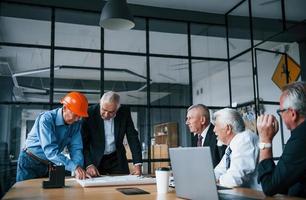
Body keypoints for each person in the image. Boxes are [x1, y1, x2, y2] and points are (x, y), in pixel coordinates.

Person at [16, 92, 90, 181]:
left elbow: (76, 148)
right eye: (76, 115)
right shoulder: (46, 119)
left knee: (50, 194)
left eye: (80, 116)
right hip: (30, 161)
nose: (78, 119)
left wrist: (79, 168)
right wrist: (74, 167)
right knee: (25, 193)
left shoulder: (76, 124)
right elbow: (50, 151)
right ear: (65, 108)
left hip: (50, 163)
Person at [257, 81, 306, 197]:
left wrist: (265, 140)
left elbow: (269, 186)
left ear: (293, 114)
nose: (280, 115)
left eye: (281, 111)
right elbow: (284, 181)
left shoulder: (300, 139)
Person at [81, 91, 142, 177]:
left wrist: (137, 163)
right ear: (100, 103)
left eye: (111, 112)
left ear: (117, 109)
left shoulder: (124, 112)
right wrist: (88, 164)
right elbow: (83, 143)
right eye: (104, 110)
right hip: (95, 159)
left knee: (123, 185)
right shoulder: (89, 113)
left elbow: (133, 138)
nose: (106, 115)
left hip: (117, 158)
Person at [213, 108, 260, 189]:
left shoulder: (245, 139)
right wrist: (211, 178)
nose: (214, 130)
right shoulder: (232, 145)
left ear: (228, 128)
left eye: (216, 125)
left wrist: (216, 180)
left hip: (256, 196)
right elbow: (218, 171)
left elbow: (235, 179)